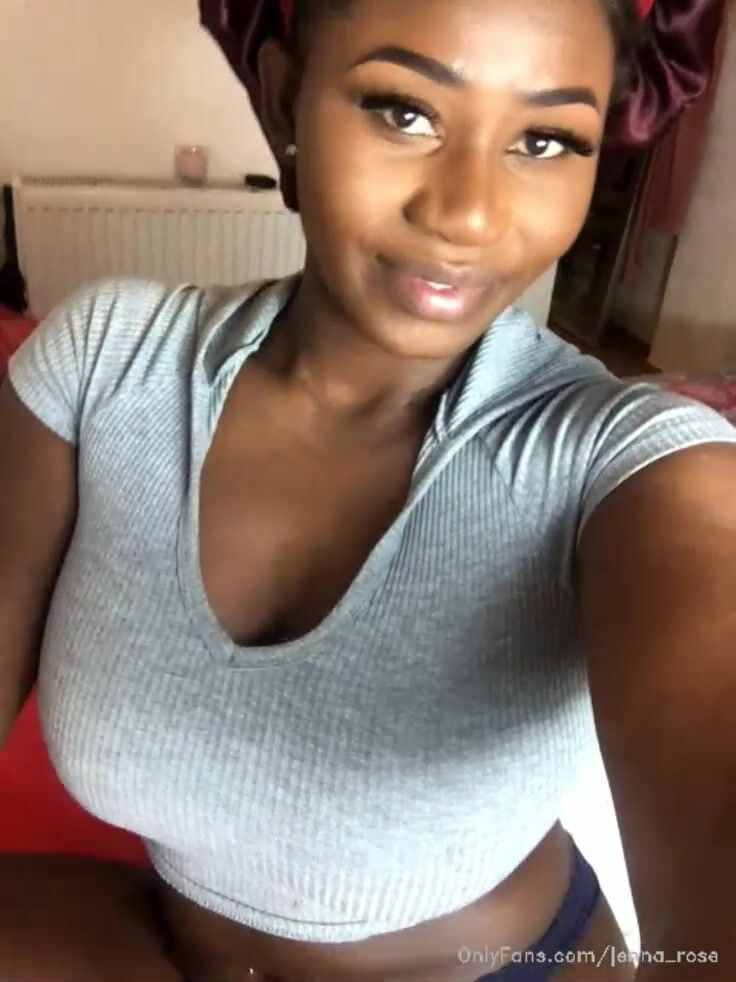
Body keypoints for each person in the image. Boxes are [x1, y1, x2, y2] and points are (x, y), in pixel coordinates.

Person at [1, 1, 736, 980]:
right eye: (404, 112)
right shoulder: (106, 365)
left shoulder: (628, 461)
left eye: (546, 140)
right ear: (283, 98)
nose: (468, 214)